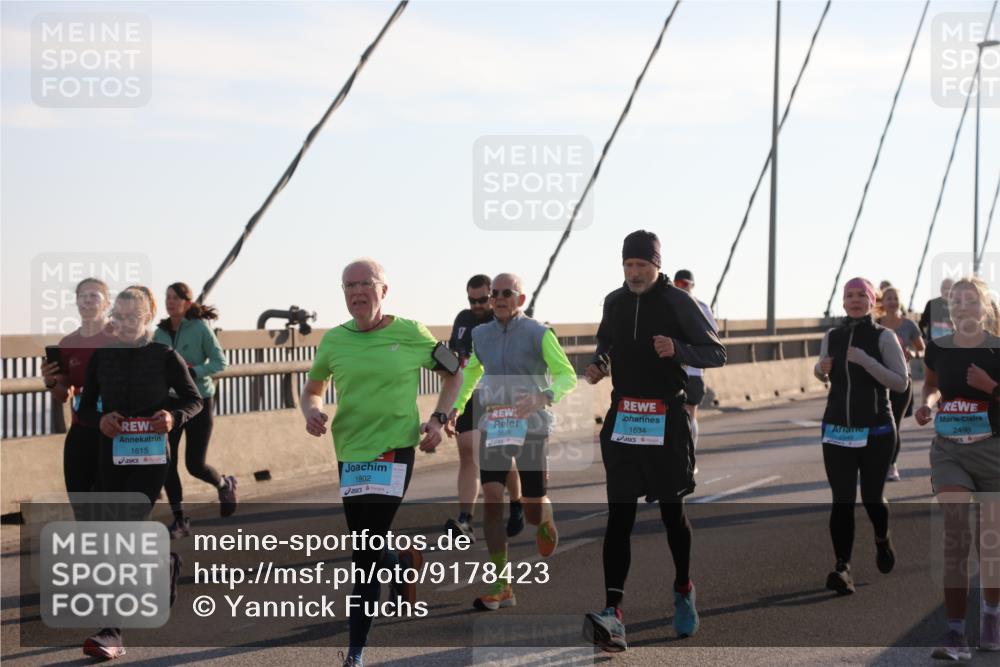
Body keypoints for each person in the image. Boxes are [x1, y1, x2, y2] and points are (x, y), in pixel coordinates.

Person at [302, 259, 463, 667]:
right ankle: (401, 562)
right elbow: (312, 388)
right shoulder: (334, 340)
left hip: (394, 450)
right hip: (350, 452)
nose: (357, 291)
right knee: (367, 541)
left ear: (384, 290)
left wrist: (439, 419)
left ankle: (355, 652)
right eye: (349, 285)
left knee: (364, 552)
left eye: (365, 284)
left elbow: (455, 374)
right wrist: (312, 410)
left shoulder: (411, 332)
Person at [582, 231, 726, 652]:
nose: (634, 273)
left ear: (656, 265)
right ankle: (613, 613)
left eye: (641, 265)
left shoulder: (678, 301)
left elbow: (715, 352)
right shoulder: (614, 301)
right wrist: (600, 364)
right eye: (628, 265)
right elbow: (607, 342)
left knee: (671, 515)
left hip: (666, 420)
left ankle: (683, 589)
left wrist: (678, 348)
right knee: (619, 518)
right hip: (625, 417)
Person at [77, 286, 203, 660]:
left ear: (147, 317)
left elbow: (194, 400)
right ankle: (165, 563)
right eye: (119, 316)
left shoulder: (165, 356)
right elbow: (84, 409)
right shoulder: (102, 357)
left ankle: (111, 632)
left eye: (133, 316)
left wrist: (173, 417)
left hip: (151, 460)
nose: (125, 323)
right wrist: (100, 420)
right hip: (111, 458)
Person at [449, 273, 577, 611]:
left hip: (531, 424)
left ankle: (544, 516)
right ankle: (501, 585)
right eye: (495, 294)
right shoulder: (480, 335)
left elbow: (567, 375)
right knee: (493, 497)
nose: (500, 299)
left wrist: (543, 396)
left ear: (520, 299)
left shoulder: (539, 333)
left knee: (532, 510)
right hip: (495, 422)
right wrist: (456, 407)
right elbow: (472, 373)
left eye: (508, 293)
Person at [914, 277, 1000, 660]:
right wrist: (928, 404)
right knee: (955, 536)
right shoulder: (938, 348)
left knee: (990, 545)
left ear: (985, 307)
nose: (962, 306)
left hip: (993, 452)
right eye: (955, 301)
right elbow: (932, 385)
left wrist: (990, 386)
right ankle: (955, 633)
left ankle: (991, 616)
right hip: (950, 450)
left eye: (970, 300)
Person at [814, 277, 908, 596]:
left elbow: (901, 383)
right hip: (837, 429)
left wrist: (866, 361)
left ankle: (882, 538)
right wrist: (821, 369)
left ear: (872, 301)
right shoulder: (832, 336)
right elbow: (821, 372)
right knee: (842, 500)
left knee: (871, 498)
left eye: (861, 296)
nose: (854, 300)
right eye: (849, 295)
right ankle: (843, 567)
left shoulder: (884, 336)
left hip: (876, 431)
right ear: (843, 302)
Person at [443, 274, 524, 543]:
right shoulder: (463, 319)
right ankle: (465, 519)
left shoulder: (503, 320)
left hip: (498, 394)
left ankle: (516, 501)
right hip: (468, 393)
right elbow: (457, 356)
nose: (477, 305)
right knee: (468, 453)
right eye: (472, 300)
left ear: (492, 295)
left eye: (482, 299)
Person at [153, 282, 235, 538]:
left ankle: (224, 484)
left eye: (175, 298)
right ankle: (180, 519)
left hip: (199, 401)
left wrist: (193, 372)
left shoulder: (199, 328)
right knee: (168, 463)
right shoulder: (160, 333)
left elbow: (220, 362)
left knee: (195, 464)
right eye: (167, 297)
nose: (169, 302)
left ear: (187, 303)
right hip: (170, 404)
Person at [40, 278, 116, 507]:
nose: (87, 301)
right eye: (82, 296)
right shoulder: (68, 343)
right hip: (81, 430)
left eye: (94, 296)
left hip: (115, 432)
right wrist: (51, 382)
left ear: (107, 303)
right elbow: (63, 395)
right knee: (81, 505)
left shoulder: (122, 338)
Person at [876, 285, 924, 482]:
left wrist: (914, 353)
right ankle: (876, 463)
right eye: (888, 298)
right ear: (882, 302)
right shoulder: (876, 324)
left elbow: (923, 349)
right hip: (878, 380)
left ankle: (891, 464)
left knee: (894, 423)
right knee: (878, 424)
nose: (892, 301)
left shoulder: (909, 325)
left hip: (902, 380)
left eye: (895, 298)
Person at [673, 269, 719, 468]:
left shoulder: (702, 308)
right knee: (673, 417)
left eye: (684, 284)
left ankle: (689, 461)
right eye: (677, 283)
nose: (680, 287)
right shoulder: (668, 305)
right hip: (672, 370)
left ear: (692, 285)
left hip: (692, 371)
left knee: (690, 414)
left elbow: (713, 337)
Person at [920, 278, 956, 342]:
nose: (947, 291)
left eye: (949, 288)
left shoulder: (959, 306)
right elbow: (922, 323)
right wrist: (924, 337)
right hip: (933, 343)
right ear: (941, 289)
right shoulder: (931, 304)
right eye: (945, 288)